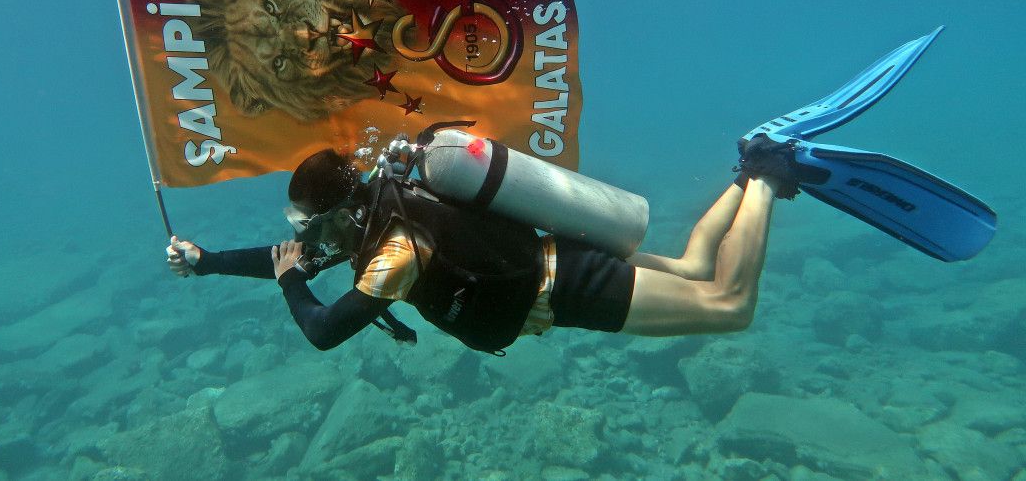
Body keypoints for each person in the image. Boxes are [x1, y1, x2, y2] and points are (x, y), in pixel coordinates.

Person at [165, 137, 796, 352]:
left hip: (567, 287)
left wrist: (290, 285)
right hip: (555, 262)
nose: (304, 235)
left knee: (729, 306)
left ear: (337, 211)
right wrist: (205, 262)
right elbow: (282, 259)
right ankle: (748, 171)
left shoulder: (394, 250)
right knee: (692, 266)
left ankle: (768, 174)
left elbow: (325, 330)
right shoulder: (375, 215)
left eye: (309, 221)